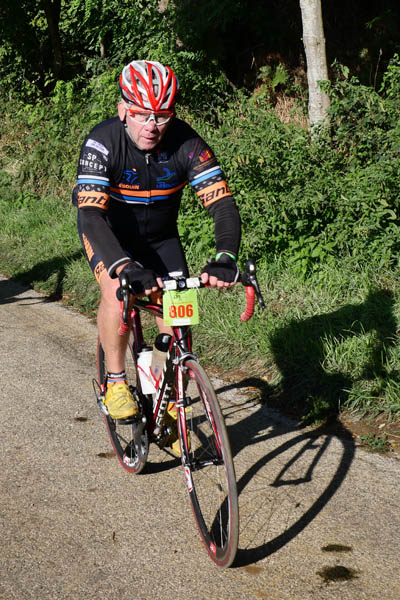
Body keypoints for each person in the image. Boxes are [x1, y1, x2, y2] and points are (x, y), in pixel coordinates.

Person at [73, 60, 241, 424]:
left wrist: (226, 256)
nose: (151, 125)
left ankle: (165, 392)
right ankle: (115, 382)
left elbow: (222, 205)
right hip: (110, 236)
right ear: (123, 110)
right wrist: (123, 265)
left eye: (162, 116)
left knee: (178, 318)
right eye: (141, 115)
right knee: (118, 292)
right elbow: (90, 216)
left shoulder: (187, 143)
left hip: (162, 239)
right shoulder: (102, 143)